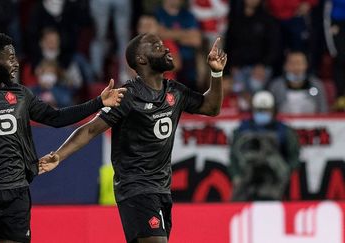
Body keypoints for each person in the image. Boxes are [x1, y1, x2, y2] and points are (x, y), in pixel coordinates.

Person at [39, 33, 227, 243]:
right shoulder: (127, 96)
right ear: (141, 59)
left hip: (162, 189)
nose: (166, 49)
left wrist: (216, 74)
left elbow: (211, 107)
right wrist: (59, 155)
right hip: (135, 187)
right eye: (157, 46)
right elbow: (91, 129)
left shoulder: (175, 91)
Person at [0, 32, 126, 243]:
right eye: (10, 58)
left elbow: (56, 118)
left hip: (17, 194)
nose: (16, 64)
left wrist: (98, 102)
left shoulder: (21, 95)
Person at [229, 91, 300, 201]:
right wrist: (236, 176)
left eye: (266, 110)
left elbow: (294, 156)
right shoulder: (242, 129)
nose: (262, 113)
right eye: (258, 110)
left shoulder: (284, 131)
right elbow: (233, 155)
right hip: (246, 179)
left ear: (273, 110)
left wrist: (285, 172)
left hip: (273, 180)